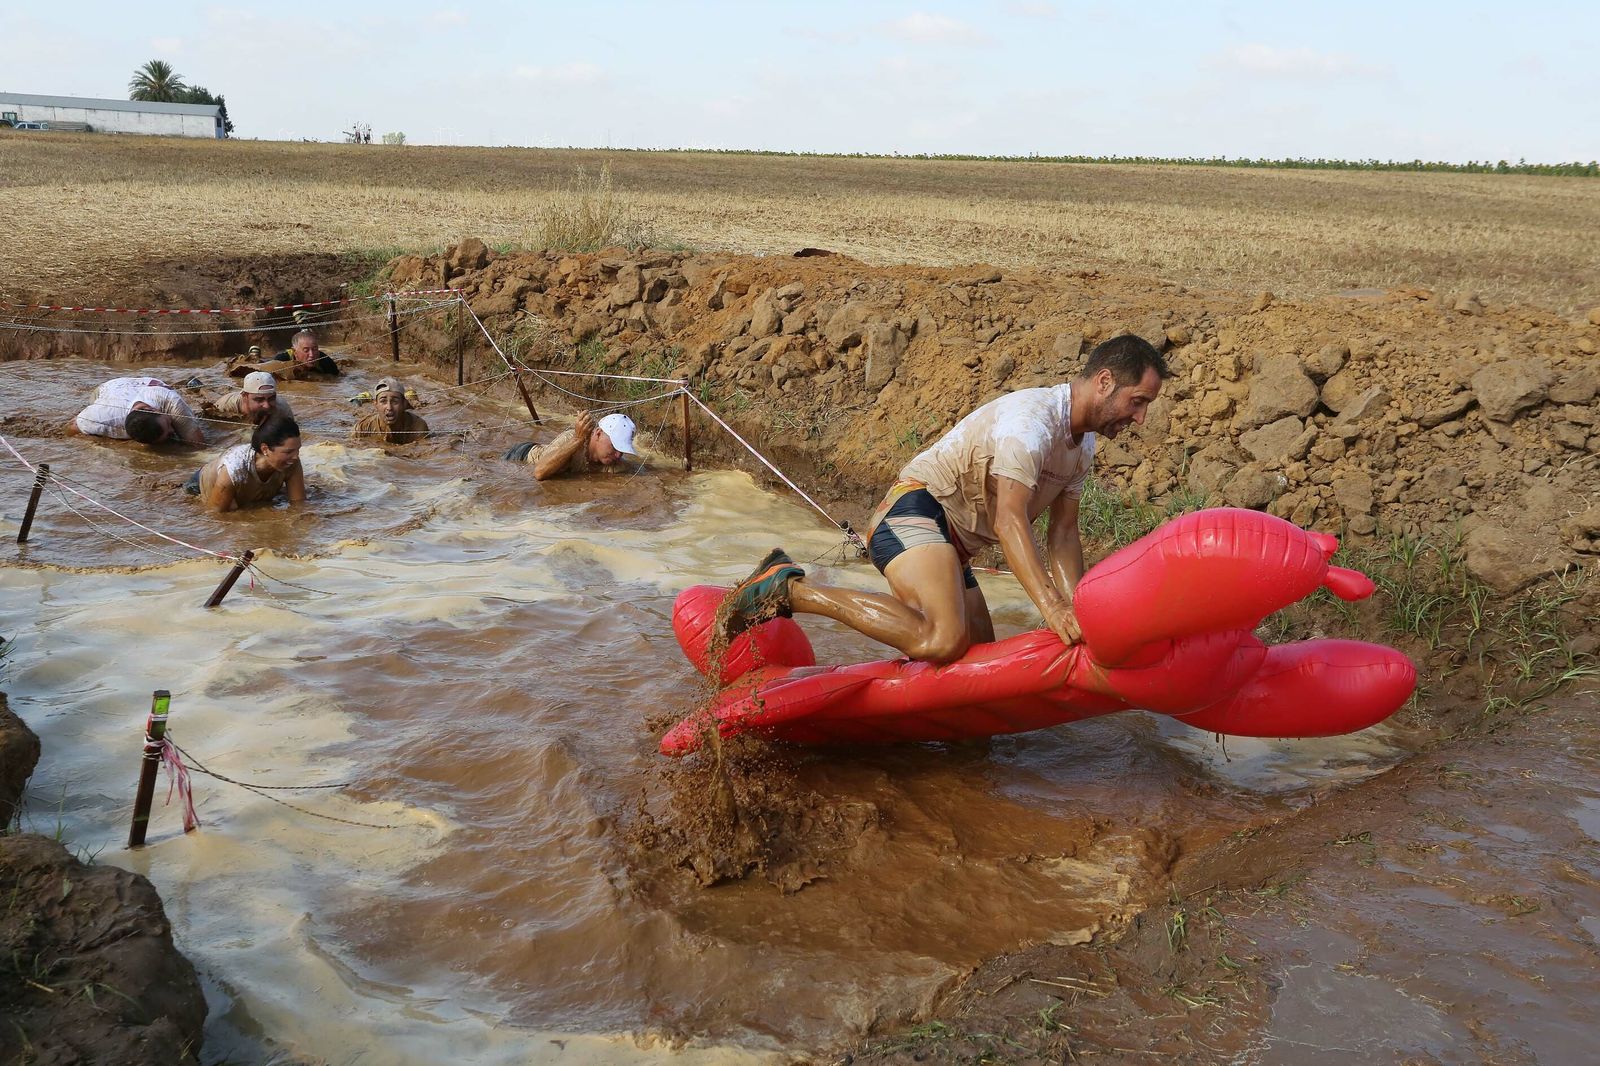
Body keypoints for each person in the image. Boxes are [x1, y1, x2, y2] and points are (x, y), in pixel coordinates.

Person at [719, 335, 1171, 662]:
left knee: (984, 664)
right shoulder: (1030, 425)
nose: (1141, 417)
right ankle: (789, 587)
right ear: (1105, 382)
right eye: (1138, 401)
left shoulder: (1082, 447)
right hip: (914, 512)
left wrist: (1080, 616)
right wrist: (1051, 608)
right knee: (942, 640)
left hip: (953, 547)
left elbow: (1064, 536)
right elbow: (1011, 522)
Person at [186, 413, 306, 512]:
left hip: (247, 487)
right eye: (288, 452)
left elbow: (298, 503)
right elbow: (214, 515)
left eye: (298, 450)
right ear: (265, 449)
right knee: (233, 508)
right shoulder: (235, 467)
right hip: (199, 485)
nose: (296, 457)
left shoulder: (292, 462)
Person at [502, 411, 638, 480]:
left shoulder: (614, 463)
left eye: (622, 449)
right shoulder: (570, 437)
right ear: (598, 434)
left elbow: (640, 471)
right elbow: (539, 473)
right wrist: (578, 439)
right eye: (615, 447)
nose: (618, 455)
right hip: (521, 455)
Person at [74, 376, 205, 446]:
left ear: (154, 410)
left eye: (168, 424)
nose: (172, 430)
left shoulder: (170, 401)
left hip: (128, 385)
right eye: (169, 429)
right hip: (108, 393)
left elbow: (200, 445)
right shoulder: (101, 418)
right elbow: (71, 428)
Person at [352, 377, 429, 444]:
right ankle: (362, 398)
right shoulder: (362, 428)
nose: (389, 407)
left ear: (404, 404)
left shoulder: (418, 426)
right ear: (375, 404)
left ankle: (411, 395)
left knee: (417, 405)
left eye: (395, 401)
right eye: (383, 401)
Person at [212, 371, 295, 425]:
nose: (267, 405)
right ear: (245, 396)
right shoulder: (224, 406)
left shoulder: (282, 410)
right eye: (259, 399)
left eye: (271, 398)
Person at [272, 329, 340, 375]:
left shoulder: (325, 361)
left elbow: (337, 379)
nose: (311, 355)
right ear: (295, 352)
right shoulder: (281, 360)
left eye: (315, 349)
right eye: (306, 350)